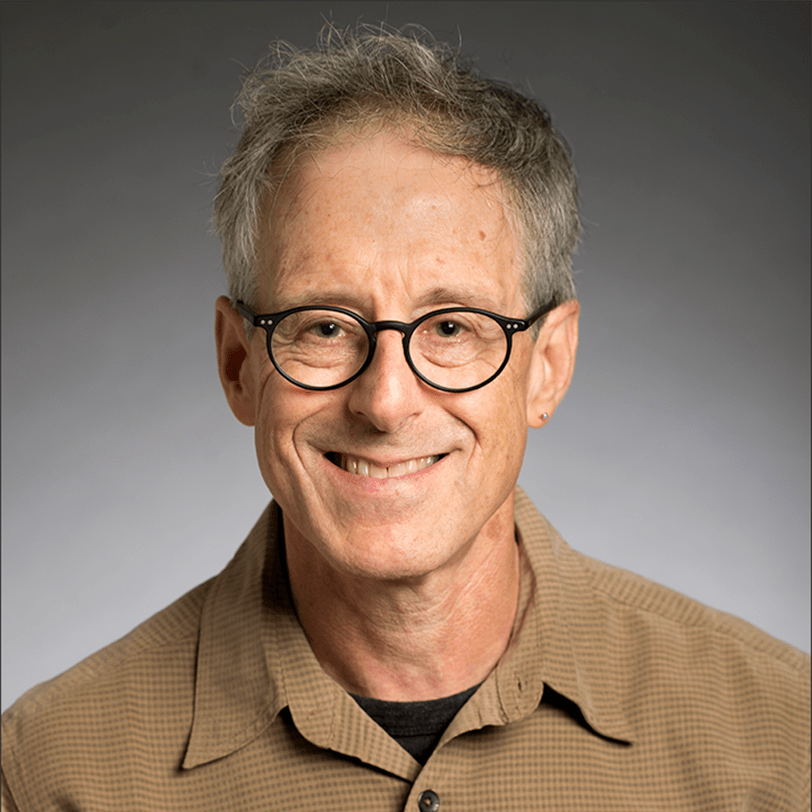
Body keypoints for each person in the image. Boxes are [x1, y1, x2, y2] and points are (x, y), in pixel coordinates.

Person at [2, 23, 808, 812]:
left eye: (452, 327)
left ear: (549, 365)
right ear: (239, 364)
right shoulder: (49, 776)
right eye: (323, 326)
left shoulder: (781, 745)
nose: (386, 403)